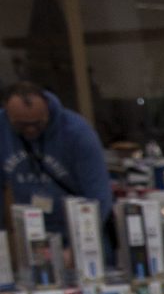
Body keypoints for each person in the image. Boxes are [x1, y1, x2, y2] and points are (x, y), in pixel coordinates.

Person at [2, 81, 112, 237]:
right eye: (21, 125)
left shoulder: (77, 133)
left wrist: (82, 242)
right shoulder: (2, 130)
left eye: (38, 123)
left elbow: (99, 196)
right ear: (7, 113)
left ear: (47, 109)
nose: (31, 130)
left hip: (77, 227)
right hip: (30, 229)